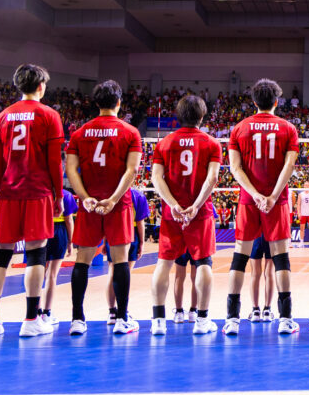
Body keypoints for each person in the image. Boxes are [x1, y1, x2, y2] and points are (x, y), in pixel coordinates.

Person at [0, 63, 65, 338]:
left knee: (2, 256)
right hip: (38, 190)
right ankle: (31, 319)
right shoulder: (49, 115)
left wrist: (0, 189)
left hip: (8, 191)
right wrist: (57, 194)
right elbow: (55, 161)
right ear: (41, 86)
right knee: (36, 255)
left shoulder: (3, 116)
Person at [64, 80, 143, 335]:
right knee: (120, 261)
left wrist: (84, 197)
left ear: (96, 103)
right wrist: (113, 199)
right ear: (119, 102)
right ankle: (121, 319)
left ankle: (77, 319)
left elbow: (70, 171)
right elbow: (131, 170)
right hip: (117, 205)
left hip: (88, 205)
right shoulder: (130, 132)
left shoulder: (79, 133)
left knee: (82, 261)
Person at [225, 79, 300, 335]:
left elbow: (235, 169)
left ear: (254, 102)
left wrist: (255, 194)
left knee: (239, 258)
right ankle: (285, 319)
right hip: (276, 200)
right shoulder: (288, 128)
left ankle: (232, 319)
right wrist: (271, 195)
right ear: (277, 102)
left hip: (248, 200)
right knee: (280, 259)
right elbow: (289, 167)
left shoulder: (239, 128)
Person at [150, 95, 221, 336]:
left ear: (178, 116)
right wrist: (196, 206)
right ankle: (201, 320)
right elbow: (212, 179)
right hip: (200, 214)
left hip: (173, 214)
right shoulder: (211, 143)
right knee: (203, 264)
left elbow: (156, 178)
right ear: (202, 116)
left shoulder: (164, 143)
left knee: (164, 263)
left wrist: (172, 205)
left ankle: (158, 321)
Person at [104, 186, 147, 323]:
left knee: (112, 271)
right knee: (125, 273)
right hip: (130, 232)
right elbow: (140, 222)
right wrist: (141, 243)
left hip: (112, 231)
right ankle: (123, 311)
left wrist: (105, 240)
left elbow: (105, 218)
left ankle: (111, 312)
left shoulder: (111, 192)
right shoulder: (138, 195)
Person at [41, 188, 77, 326]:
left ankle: (36, 312)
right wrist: (70, 241)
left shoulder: (41, 191)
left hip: (42, 229)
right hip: (59, 232)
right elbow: (68, 220)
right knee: (52, 275)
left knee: (39, 273)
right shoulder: (66, 195)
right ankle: (47, 313)